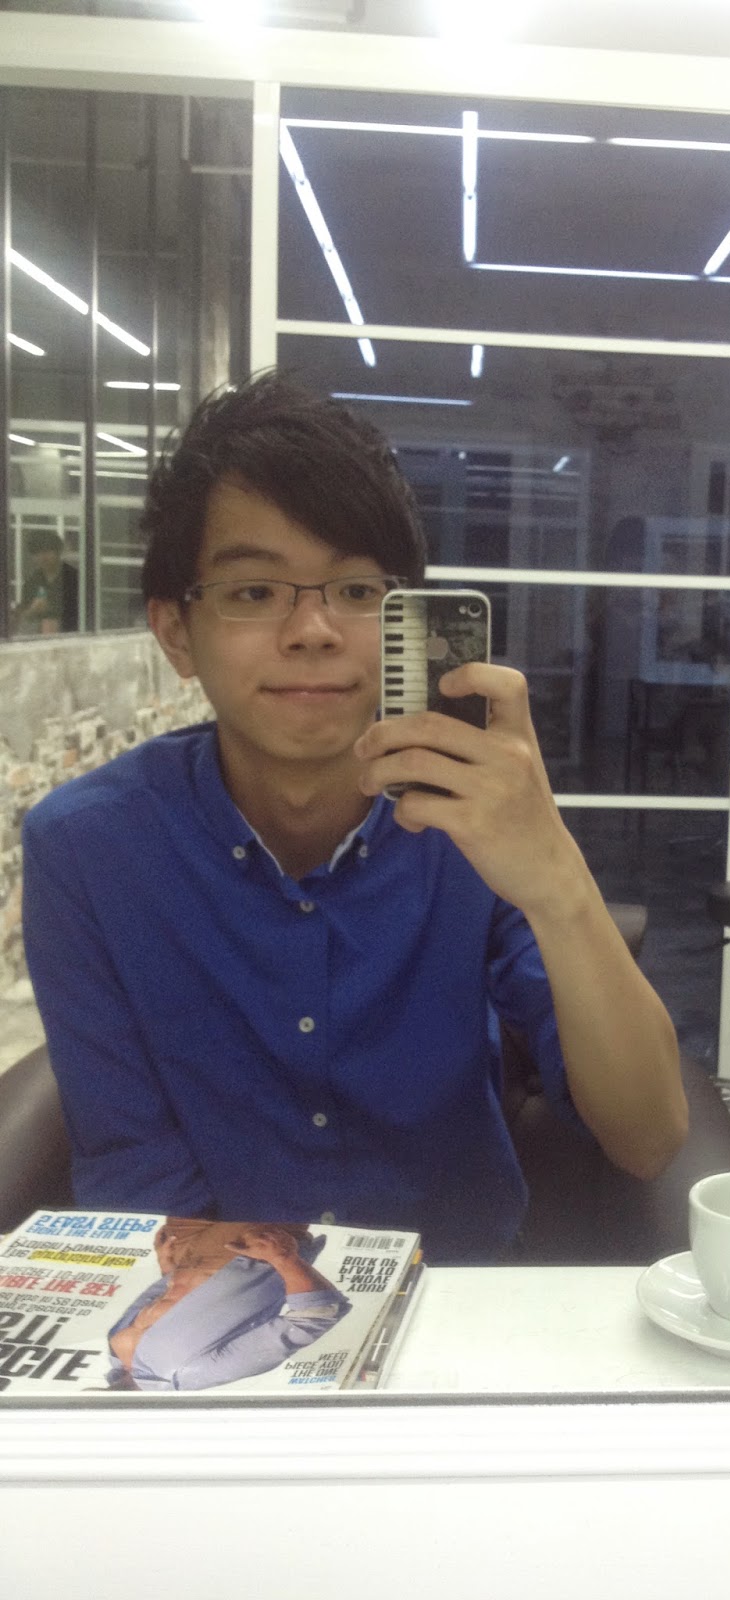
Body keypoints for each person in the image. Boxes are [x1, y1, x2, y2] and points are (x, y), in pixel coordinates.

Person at [20, 373, 686, 1261]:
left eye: (357, 591)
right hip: (216, 1304)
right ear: (177, 633)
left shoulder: (472, 825)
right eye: (253, 592)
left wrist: (557, 878)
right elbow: (134, 1169)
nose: (313, 630)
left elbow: (648, 1139)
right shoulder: (88, 849)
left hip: (455, 1295)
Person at [104, 1219, 350, 1392]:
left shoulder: (116, 1354)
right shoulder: (191, 1373)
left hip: (185, 1245)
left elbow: (180, 1307)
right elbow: (315, 1317)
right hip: (247, 1245)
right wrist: (283, 1258)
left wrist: (169, 1270)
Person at [17, 528, 80, 634]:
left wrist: (51, 608)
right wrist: (33, 610)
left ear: (58, 552)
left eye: (46, 552)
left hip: (70, 635)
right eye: (37, 553)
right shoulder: (32, 582)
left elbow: (83, 613)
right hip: (38, 637)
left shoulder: (74, 578)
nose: (42, 557)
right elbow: (23, 616)